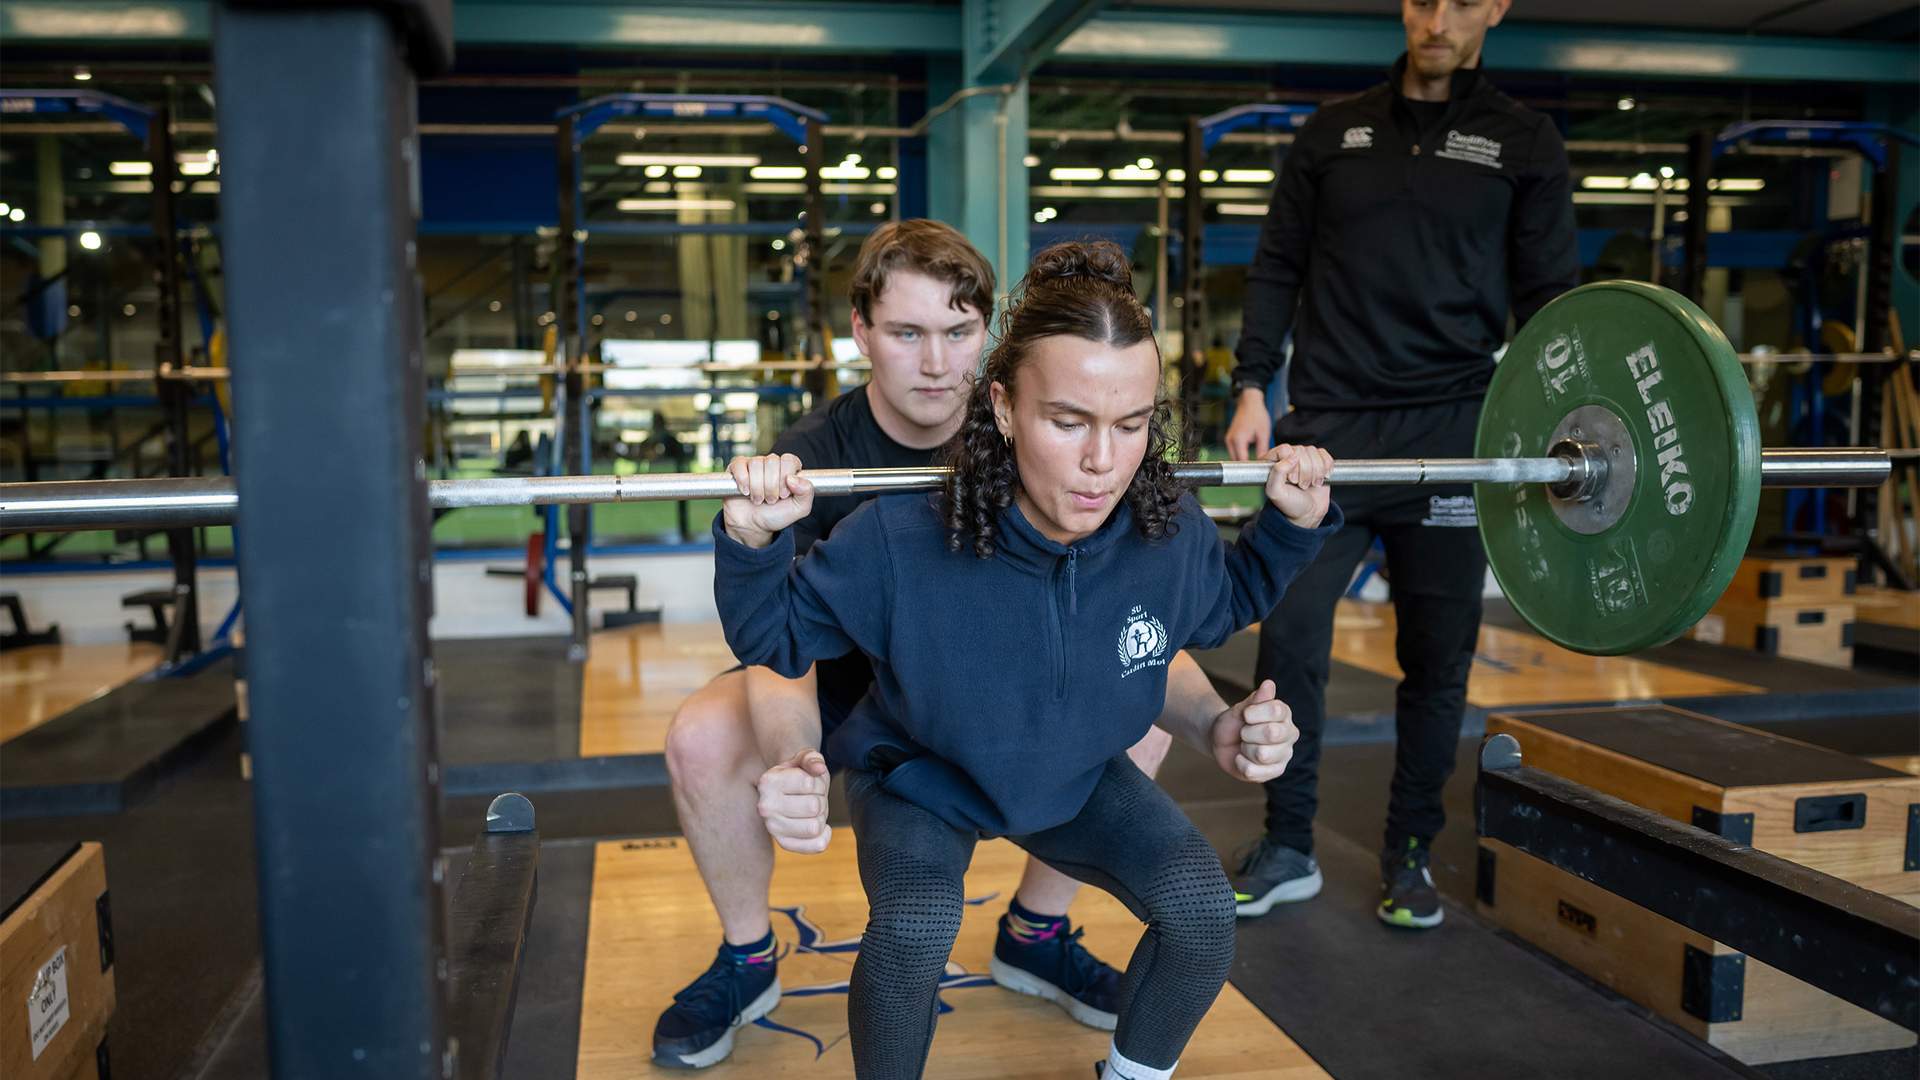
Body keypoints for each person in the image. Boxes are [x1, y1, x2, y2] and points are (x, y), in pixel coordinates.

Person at [713, 240, 1339, 1080]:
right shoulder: (899, 538)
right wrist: (752, 540)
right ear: (1003, 408)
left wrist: (1291, 528)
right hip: (919, 776)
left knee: (1199, 910)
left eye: (1130, 424)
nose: (1101, 462)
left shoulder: (1166, 533)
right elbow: (774, 638)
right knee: (916, 924)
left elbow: (1226, 602)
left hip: (1071, 775)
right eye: (1068, 421)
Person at [1221, 0, 1578, 929]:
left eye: (1462, 1)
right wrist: (1253, 385)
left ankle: (1409, 849)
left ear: (1495, 8)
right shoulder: (1333, 133)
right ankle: (1289, 840)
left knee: (1437, 659)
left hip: (1457, 434)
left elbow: (1551, 304)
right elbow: (1277, 264)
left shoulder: (1523, 141)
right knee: (1288, 640)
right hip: (1326, 433)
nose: (1438, 18)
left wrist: (1556, 430)